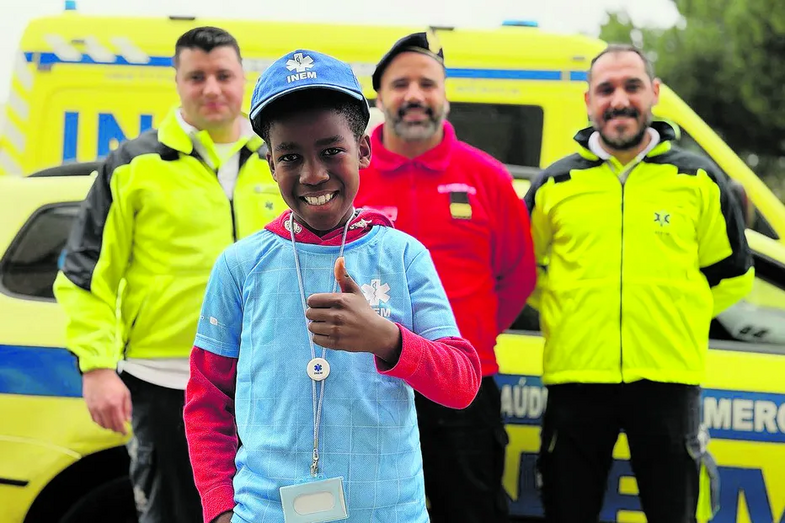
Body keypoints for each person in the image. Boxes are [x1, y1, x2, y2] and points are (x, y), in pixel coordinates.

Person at [183, 49, 483, 523]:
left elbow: (463, 383)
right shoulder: (240, 265)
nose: (313, 174)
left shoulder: (403, 256)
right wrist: (220, 508)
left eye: (331, 151)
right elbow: (207, 400)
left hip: (389, 513)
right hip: (266, 513)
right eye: (290, 157)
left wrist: (386, 339)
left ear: (363, 149)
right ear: (269, 163)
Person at [53, 26, 284, 523]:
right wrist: (95, 366)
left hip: (267, 379)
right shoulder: (133, 165)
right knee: (174, 514)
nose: (212, 88)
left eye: (223, 74)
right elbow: (84, 275)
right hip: (164, 382)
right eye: (196, 76)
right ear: (176, 81)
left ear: (243, 78)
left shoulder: (276, 161)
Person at [523, 43, 755, 523]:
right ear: (588, 101)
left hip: (668, 381)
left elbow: (735, 275)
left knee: (674, 514)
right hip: (576, 378)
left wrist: (678, 314)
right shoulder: (555, 185)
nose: (618, 100)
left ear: (654, 93)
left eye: (631, 86)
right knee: (568, 511)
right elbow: (524, 271)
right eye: (605, 89)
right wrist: (567, 310)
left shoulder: (697, 179)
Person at [354, 31, 537, 522]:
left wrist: (469, 336)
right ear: (380, 97)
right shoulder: (351, 175)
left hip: (464, 387)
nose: (414, 95)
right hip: (369, 386)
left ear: (445, 95)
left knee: (472, 509)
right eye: (400, 84)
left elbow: (518, 274)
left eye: (427, 84)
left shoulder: (487, 177)